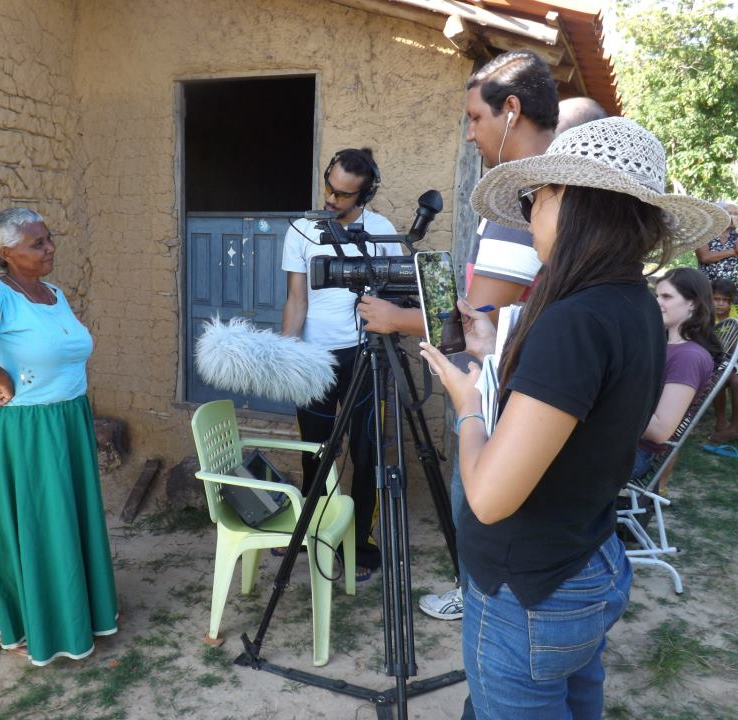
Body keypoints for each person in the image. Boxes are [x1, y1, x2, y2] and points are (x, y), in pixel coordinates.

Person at [419, 117, 728, 718]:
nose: (530, 212)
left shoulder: (575, 318)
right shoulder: (634, 302)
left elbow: (487, 498)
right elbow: (581, 400)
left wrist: (466, 408)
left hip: (529, 587)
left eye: (536, 198)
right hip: (587, 561)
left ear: (570, 201)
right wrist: (494, 354)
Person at [359, 49, 559, 623]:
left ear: (512, 111)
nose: (470, 134)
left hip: (501, 393)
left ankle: (478, 598)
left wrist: (398, 322)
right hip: (527, 389)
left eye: (475, 118)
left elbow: (483, 319)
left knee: (475, 498)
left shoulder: (528, 205)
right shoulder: (542, 196)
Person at [0, 208, 118, 666]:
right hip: (28, 429)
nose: (50, 247)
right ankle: (41, 625)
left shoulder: (53, 294)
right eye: (37, 243)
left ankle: (81, 613)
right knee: (41, 524)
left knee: (69, 521)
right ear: (7, 253)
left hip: (68, 419)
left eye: (48, 239)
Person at [281, 147, 397, 580]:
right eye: (329, 186)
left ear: (364, 195)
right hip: (313, 358)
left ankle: (360, 547)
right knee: (316, 451)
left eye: (343, 194)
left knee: (367, 453)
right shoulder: (301, 230)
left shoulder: (382, 231)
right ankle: (313, 533)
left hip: (366, 355)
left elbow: (392, 298)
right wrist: (287, 357)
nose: (331, 199)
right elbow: (296, 299)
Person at [633, 268, 721, 479]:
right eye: (657, 295)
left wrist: (609, 402)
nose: (657, 302)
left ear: (693, 303)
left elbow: (660, 431)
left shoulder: (689, 357)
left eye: (667, 296)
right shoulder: (664, 344)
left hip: (634, 453)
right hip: (621, 441)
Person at [710, 278, 738, 441]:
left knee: (736, 382)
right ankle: (721, 421)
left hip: (735, 361)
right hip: (715, 361)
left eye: (725, 300)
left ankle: (735, 427)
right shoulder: (705, 315)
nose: (720, 304)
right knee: (720, 377)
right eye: (716, 299)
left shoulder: (736, 315)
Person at [695, 200, 738, 284]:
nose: (733, 217)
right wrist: (732, 252)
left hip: (733, 289)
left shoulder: (736, 233)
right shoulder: (705, 232)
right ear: (720, 215)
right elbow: (704, 257)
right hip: (707, 286)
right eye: (729, 213)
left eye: (736, 214)